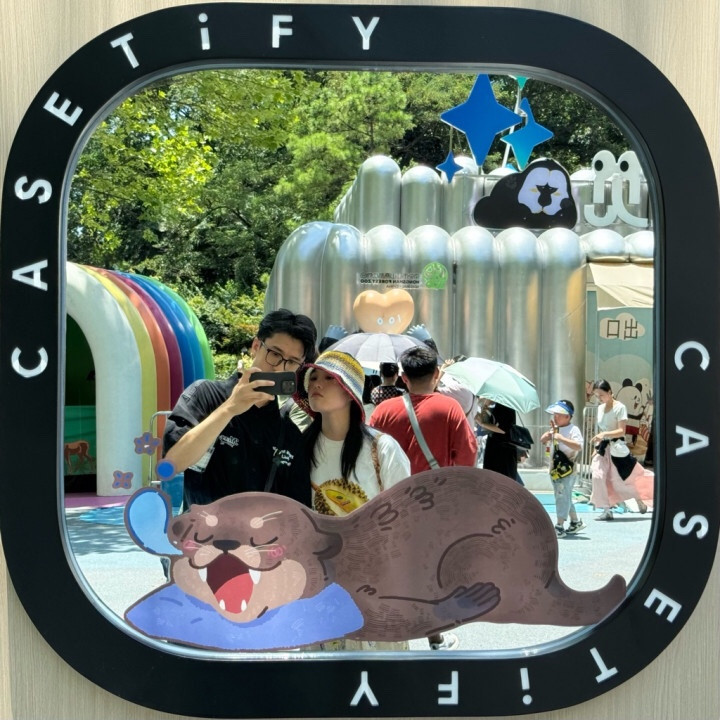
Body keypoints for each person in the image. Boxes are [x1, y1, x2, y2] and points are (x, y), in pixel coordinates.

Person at [296, 349, 411, 650]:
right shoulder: (299, 450)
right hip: (318, 588)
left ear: (349, 391)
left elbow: (405, 521)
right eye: (313, 377)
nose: (316, 384)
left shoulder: (382, 448)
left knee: (377, 672)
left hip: (375, 585)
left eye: (328, 378)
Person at [369, 345, 477, 651]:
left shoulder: (383, 411)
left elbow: (369, 454)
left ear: (403, 377)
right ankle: (434, 635)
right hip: (435, 504)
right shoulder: (449, 408)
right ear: (437, 374)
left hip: (391, 502)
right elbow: (467, 456)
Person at [162, 309, 317, 509]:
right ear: (256, 346)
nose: (279, 368)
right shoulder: (206, 395)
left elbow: (297, 510)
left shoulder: (288, 433)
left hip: (260, 530)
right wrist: (229, 408)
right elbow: (172, 463)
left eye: (292, 362)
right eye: (275, 354)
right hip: (201, 528)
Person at [590, 379, 651, 521]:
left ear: (610, 392)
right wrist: (597, 446)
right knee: (597, 476)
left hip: (617, 449)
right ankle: (606, 509)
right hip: (603, 448)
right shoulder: (600, 408)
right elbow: (603, 430)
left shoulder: (620, 407)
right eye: (596, 396)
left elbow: (621, 431)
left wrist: (604, 435)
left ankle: (638, 497)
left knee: (619, 481)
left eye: (601, 395)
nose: (599, 398)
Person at [539, 400, 585, 537]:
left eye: (559, 414)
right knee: (565, 495)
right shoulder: (555, 429)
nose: (556, 417)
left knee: (561, 496)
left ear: (568, 416)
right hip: (555, 469)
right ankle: (575, 521)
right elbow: (542, 440)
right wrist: (548, 436)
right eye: (555, 414)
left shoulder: (573, 429)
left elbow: (578, 446)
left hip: (567, 469)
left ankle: (559, 525)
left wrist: (561, 438)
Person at [482, 401, 522, 483]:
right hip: (495, 449)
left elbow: (503, 429)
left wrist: (482, 424)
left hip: (502, 451)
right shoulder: (498, 405)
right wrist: (485, 407)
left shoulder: (506, 406)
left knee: (500, 481)